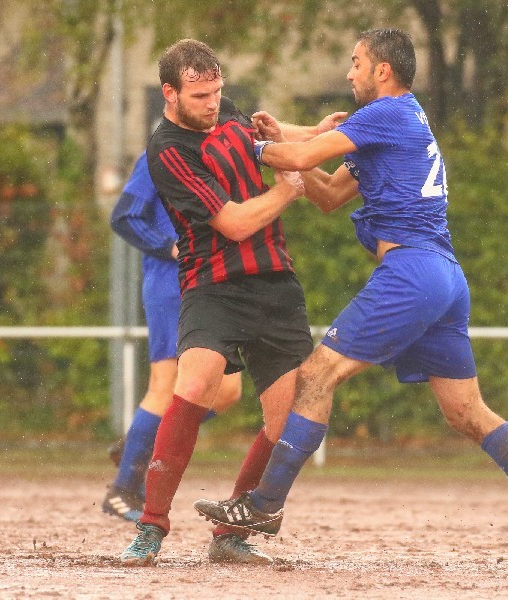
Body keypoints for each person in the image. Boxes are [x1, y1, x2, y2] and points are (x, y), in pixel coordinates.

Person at [193, 28, 508, 566]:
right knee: (466, 412)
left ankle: (265, 505)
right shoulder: (397, 122)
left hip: (411, 272)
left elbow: (304, 157)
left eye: (356, 62)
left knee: (316, 376)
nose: (349, 73)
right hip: (443, 277)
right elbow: (325, 194)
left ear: (383, 70)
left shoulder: (387, 114)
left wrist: (241, 143)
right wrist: (280, 151)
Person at [118, 38, 344, 567]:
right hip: (212, 287)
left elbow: (264, 138)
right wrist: (289, 191)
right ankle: (150, 526)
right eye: (200, 96)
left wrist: (318, 133)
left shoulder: (228, 113)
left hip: (275, 287)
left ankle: (229, 533)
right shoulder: (168, 150)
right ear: (169, 93)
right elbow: (235, 222)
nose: (213, 103)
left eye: (217, 91)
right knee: (193, 384)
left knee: (283, 422)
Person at [102, 151, 243, 527]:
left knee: (228, 391)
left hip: (211, 282)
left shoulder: (217, 151)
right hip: (170, 281)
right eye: (200, 95)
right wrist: (171, 246)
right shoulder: (159, 155)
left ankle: (142, 445)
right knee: (165, 386)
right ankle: (123, 490)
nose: (211, 105)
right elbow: (124, 216)